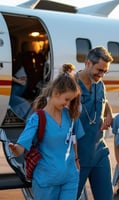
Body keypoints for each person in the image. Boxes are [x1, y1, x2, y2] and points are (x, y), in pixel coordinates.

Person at [9, 72, 85, 200]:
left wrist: (76, 159)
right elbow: (21, 147)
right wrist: (16, 150)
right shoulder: (37, 119)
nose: (68, 104)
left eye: (71, 100)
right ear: (56, 93)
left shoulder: (69, 115)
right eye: (67, 99)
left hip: (69, 178)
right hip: (46, 181)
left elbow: (73, 138)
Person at [75, 46, 114, 200]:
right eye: (99, 70)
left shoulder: (100, 84)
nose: (102, 74)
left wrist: (109, 114)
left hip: (99, 152)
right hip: (78, 156)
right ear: (88, 63)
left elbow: (104, 101)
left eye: (105, 71)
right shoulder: (71, 85)